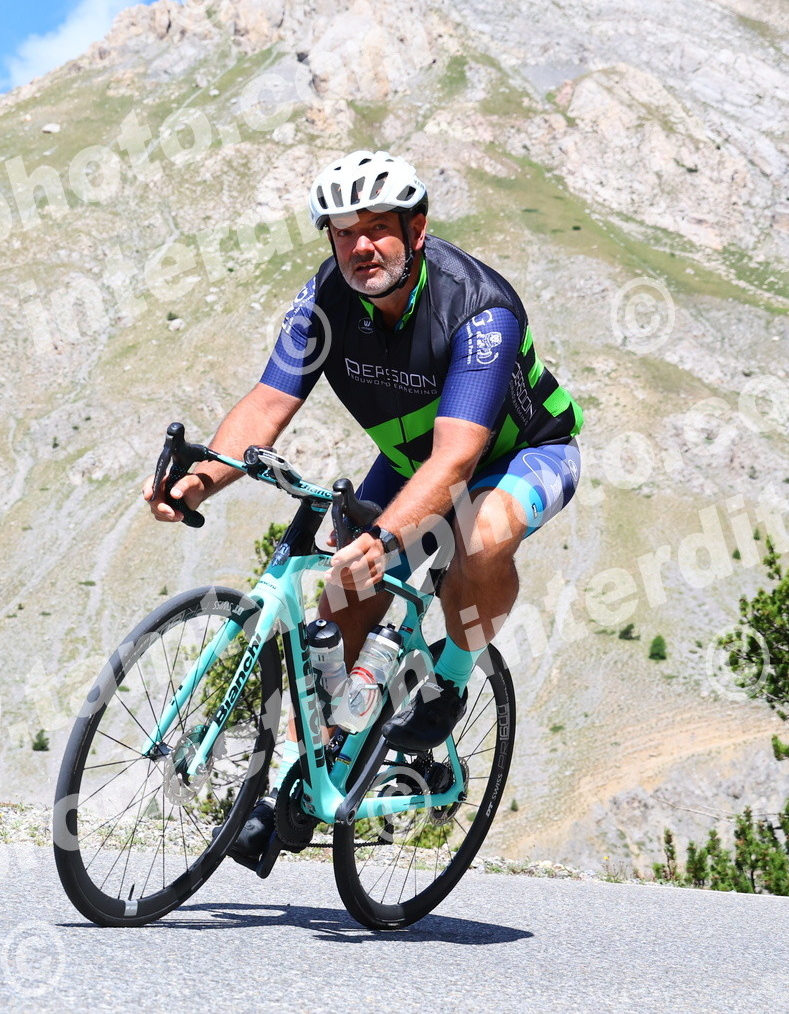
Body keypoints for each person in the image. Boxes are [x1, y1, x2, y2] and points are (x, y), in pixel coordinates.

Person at [142, 150, 583, 870]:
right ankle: (304, 776)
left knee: (479, 532)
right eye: (344, 233)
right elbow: (267, 404)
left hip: (519, 454)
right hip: (413, 463)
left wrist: (383, 536)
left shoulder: (479, 310)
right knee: (342, 600)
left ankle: (449, 681)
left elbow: (457, 463)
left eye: (377, 227)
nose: (360, 247)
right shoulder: (327, 301)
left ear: (417, 229)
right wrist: (198, 482)